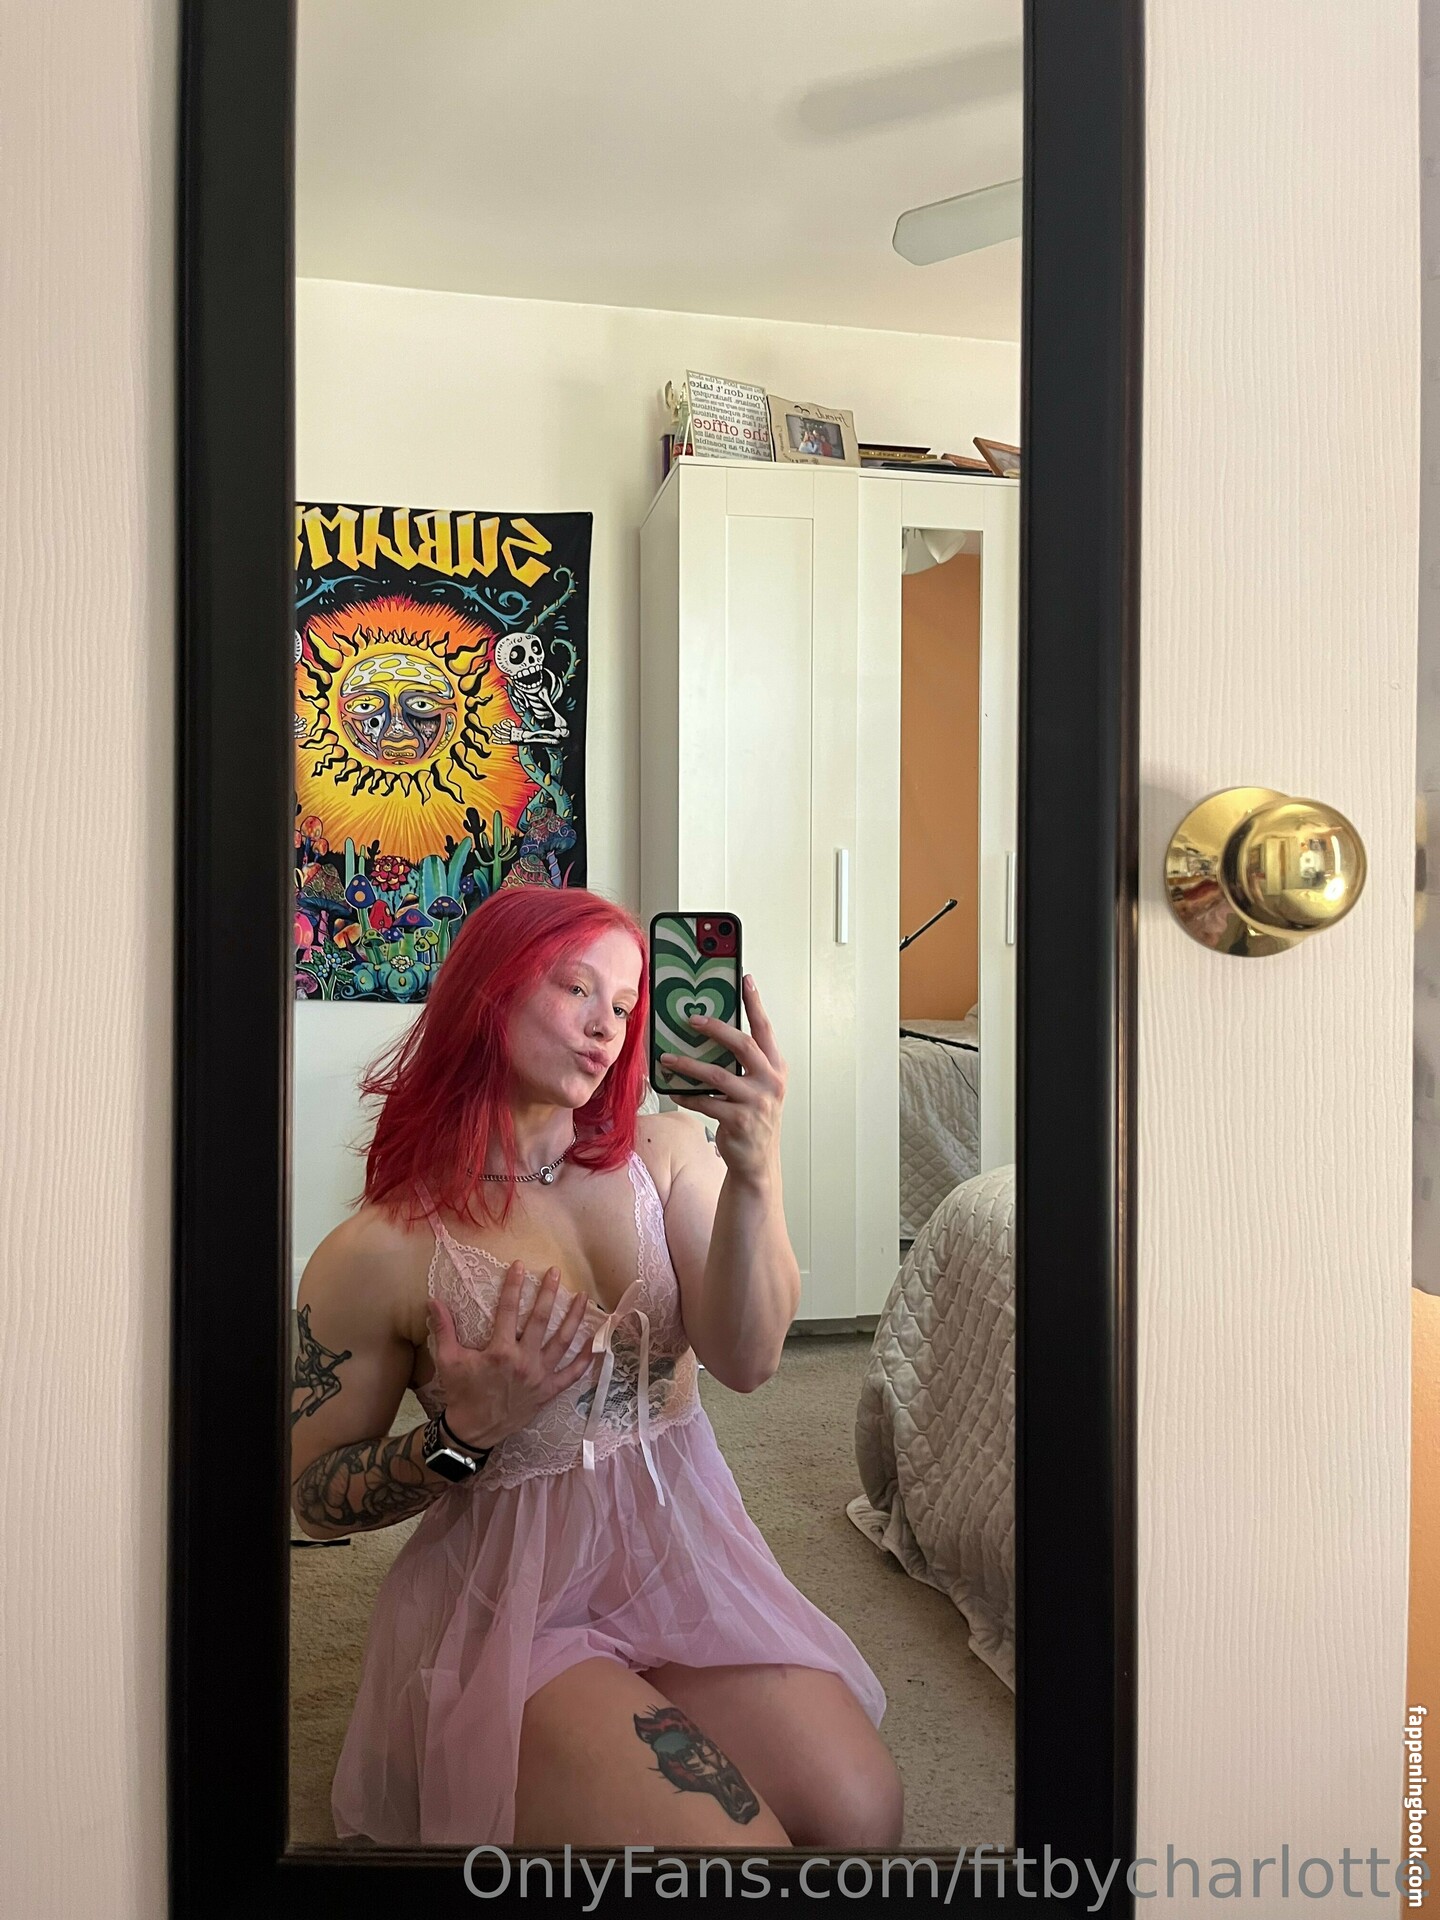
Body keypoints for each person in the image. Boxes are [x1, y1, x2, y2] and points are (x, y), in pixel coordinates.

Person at [290, 886, 900, 1850]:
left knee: (861, 1815)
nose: (607, 1027)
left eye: (624, 1003)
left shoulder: (667, 1154)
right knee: (734, 1858)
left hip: (681, 1555)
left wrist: (757, 1171)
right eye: (576, 988)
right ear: (488, 991)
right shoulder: (382, 1248)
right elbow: (313, 1499)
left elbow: (748, 1361)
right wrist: (461, 1435)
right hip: (517, 1606)